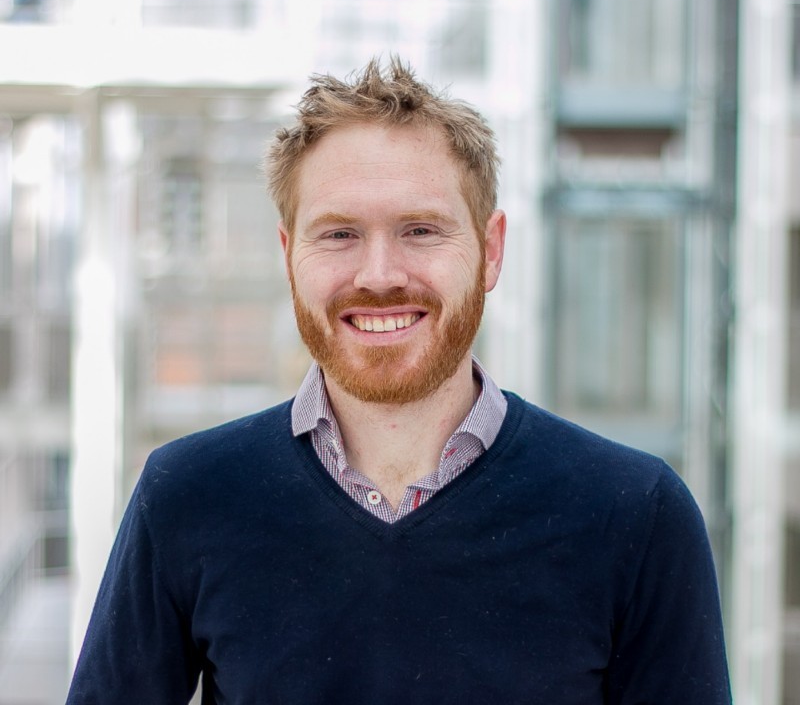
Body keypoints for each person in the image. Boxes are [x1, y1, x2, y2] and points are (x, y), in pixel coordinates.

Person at [67, 58, 732, 704]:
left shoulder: (636, 515)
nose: (379, 275)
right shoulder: (187, 497)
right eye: (339, 234)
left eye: (420, 230)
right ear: (288, 255)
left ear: (491, 250)